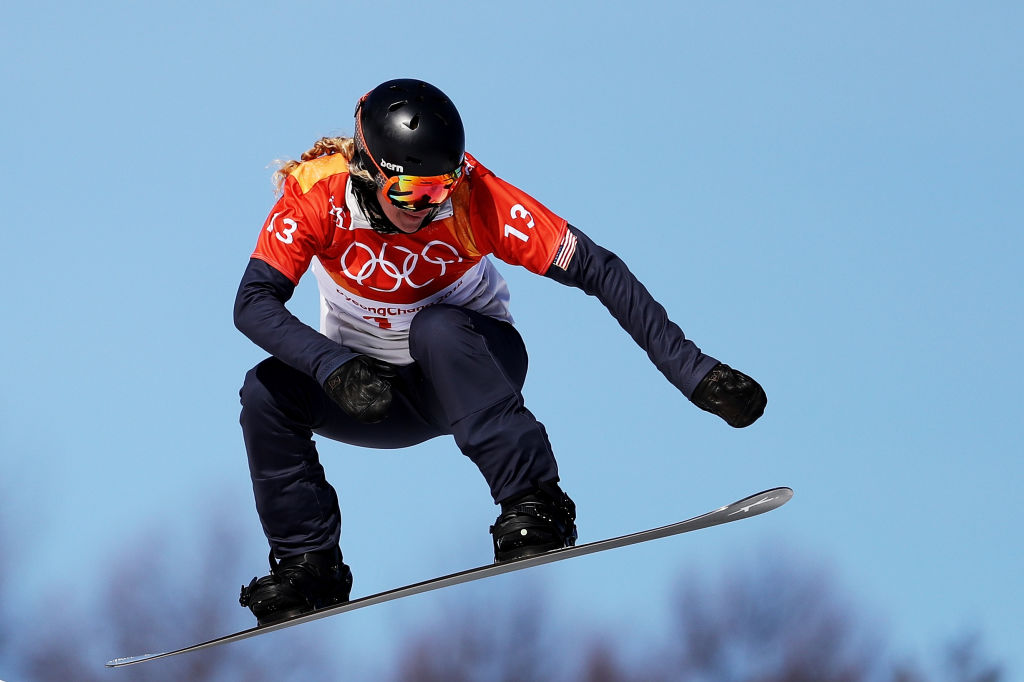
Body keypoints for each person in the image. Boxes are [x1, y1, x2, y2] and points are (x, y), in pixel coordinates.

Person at [235, 78, 766, 625]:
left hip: (473, 367)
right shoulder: (318, 199)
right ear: (369, 172)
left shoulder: (474, 198)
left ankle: (534, 499)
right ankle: (310, 564)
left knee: (435, 328)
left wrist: (694, 372)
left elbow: (597, 268)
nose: (427, 207)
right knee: (265, 392)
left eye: (439, 188)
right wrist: (335, 367)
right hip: (373, 394)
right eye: (409, 193)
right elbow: (253, 304)